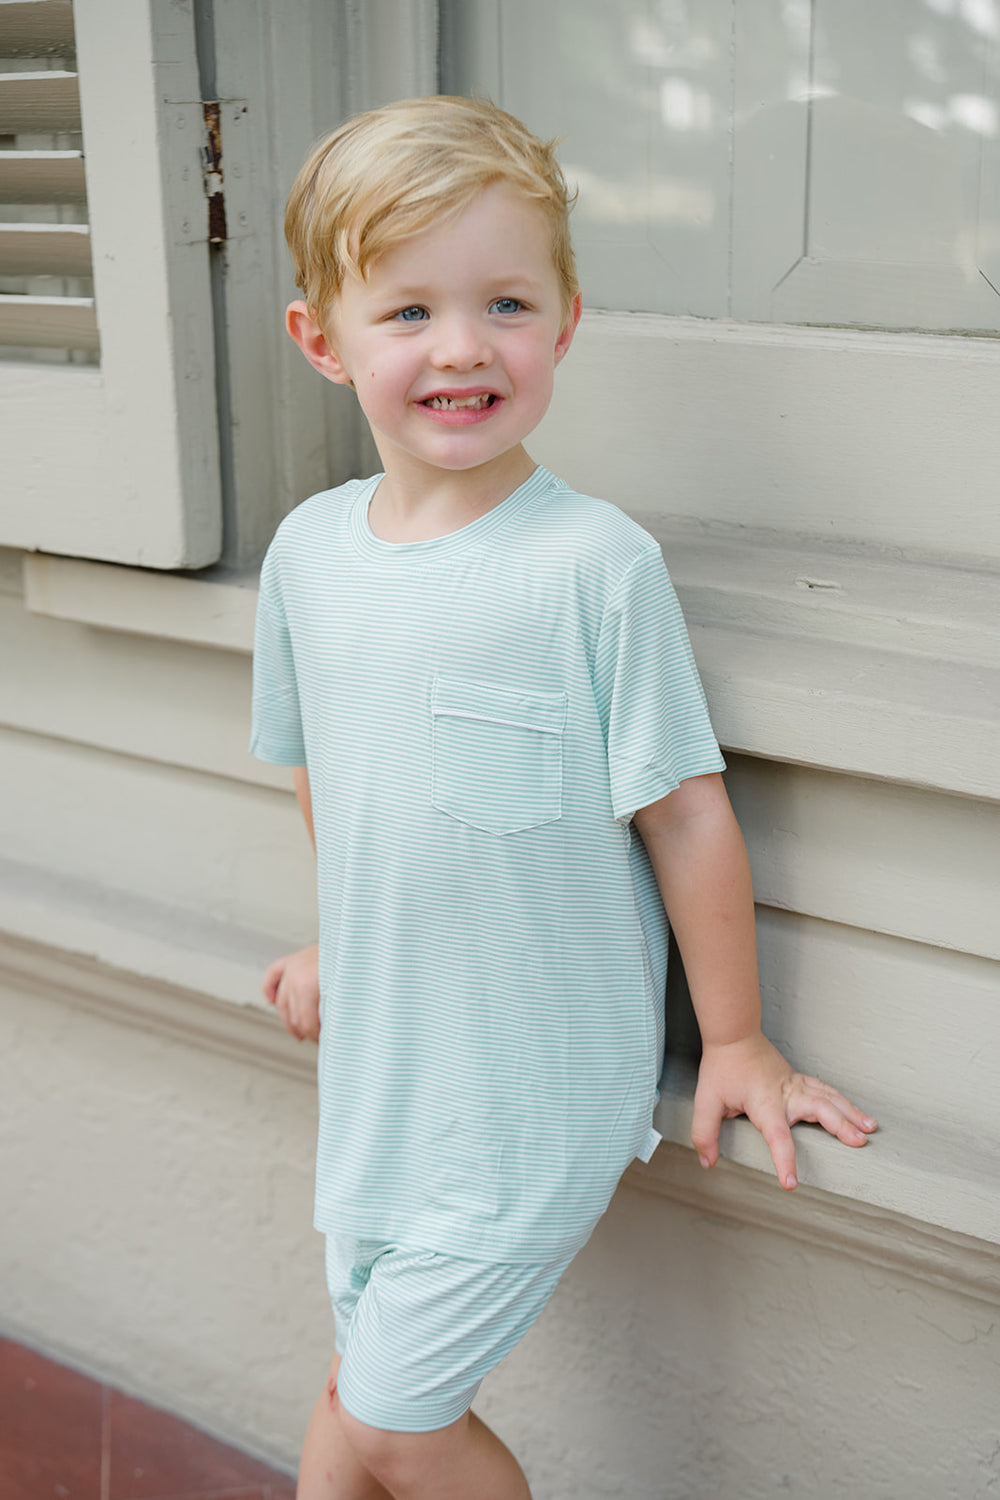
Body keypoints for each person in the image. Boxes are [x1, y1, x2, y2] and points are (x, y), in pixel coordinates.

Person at [251, 95, 877, 1500]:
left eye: (506, 302)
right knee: (360, 1393)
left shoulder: (591, 565)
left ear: (566, 323)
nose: (463, 345)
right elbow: (331, 773)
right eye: (406, 310)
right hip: (383, 1079)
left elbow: (685, 811)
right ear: (321, 340)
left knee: (402, 1417)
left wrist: (737, 1040)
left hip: (530, 1087)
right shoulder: (307, 557)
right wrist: (341, 941)